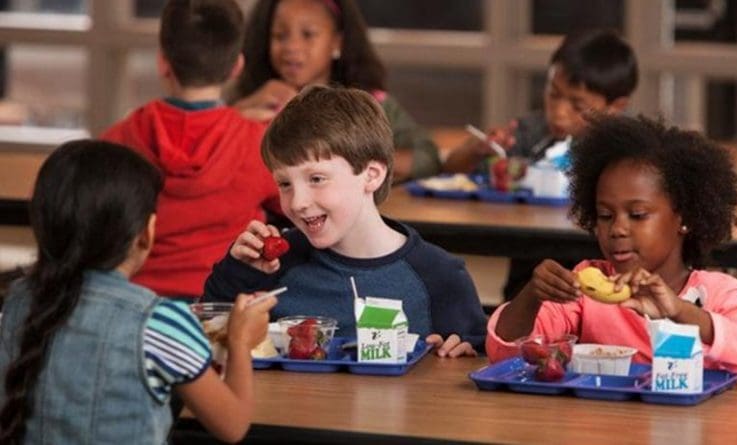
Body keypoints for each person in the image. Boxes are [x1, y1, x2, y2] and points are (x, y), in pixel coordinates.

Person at [0, 140, 277, 444]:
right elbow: (232, 426)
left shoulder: (16, 302)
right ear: (146, 233)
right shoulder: (159, 321)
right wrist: (240, 341)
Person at [486, 115, 737, 386]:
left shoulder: (717, 293)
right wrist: (532, 295)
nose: (617, 229)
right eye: (605, 216)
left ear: (684, 218)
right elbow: (503, 355)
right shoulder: (587, 287)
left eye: (638, 215)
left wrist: (680, 311)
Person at [205, 86, 487, 357]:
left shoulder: (439, 275)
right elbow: (208, 337)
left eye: (316, 179)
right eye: (284, 183)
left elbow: (477, 357)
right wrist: (239, 272)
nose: (297, 202)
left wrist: (462, 354)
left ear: (371, 175)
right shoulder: (275, 265)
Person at [102, 0, 282, 299]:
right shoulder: (258, 143)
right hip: (226, 308)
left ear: (162, 62)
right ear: (237, 66)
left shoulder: (117, 140)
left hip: (137, 306)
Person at [443, 29, 639, 301]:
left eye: (578, 105)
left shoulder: (629, 147)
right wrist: (478, 151)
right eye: (553, 94)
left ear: (616, 107)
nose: (559, 112)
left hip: (602, 280)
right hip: (528, 280)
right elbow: (452, 170)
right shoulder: (532, 131)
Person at [230, 0, 441, 182]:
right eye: (279, 36)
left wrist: (346, 155)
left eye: (308, 34)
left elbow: (427, 158)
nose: (292, 46)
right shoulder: (252, 100)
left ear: (337, 42)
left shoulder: (370, 104)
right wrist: (236, 114)